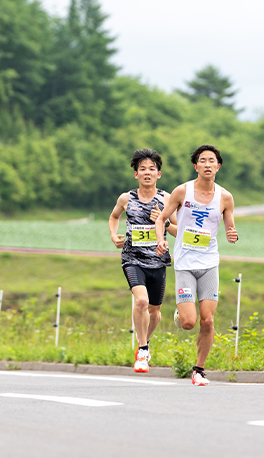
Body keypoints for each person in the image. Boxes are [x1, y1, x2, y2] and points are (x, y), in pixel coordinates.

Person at [156, 144, 238, 386]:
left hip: (209, 263)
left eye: (212, 161)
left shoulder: (225, 197)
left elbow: (230, 226)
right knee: (189, 322)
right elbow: (162, 219)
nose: (207, 165)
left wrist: (232, 234)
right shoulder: (182, 192)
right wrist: (161, 240)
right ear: (196, 166)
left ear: (218, 166)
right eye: (202, 161)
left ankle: (199, 369)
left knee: (208, 320)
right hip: (184, 263)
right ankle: (180, 313)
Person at [109, 149, 177, 373]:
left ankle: (142, 346)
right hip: (132, 258)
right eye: (143, 169)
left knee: (155, 312)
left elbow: (179, 230)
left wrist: (164, 223)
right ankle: (144, 348)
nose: (147, 173)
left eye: (152, 169)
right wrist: (114, 235)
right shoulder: (126, 198)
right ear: (136, 174)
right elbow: (114, 216)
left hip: (158, 261)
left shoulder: (166, 199)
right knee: (141, 302)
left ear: (159, 174)